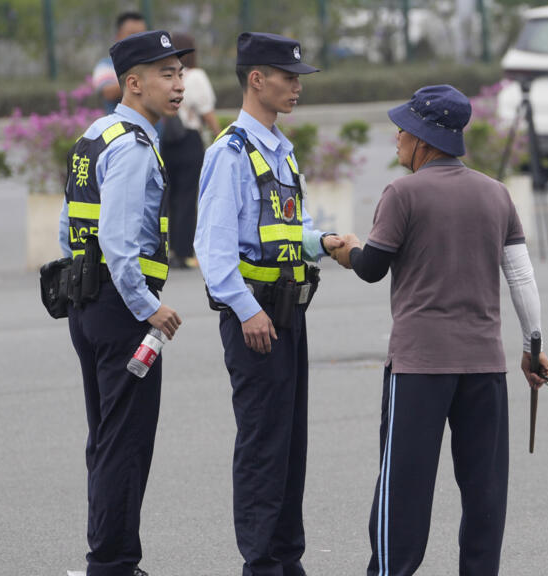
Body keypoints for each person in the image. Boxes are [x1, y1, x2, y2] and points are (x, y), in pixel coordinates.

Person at [331, 84, 548, 576]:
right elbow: (520, 276)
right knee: (484, 492)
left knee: (403, 490)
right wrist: (532, 347)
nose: (396, 139)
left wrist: (344, 249)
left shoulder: (402, 193)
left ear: (424, 139)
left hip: (420, 369)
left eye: (403, 130)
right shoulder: (496, 194)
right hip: (484, 368)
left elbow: (372, 267)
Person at [193, 32, 344, 576]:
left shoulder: (279, 149)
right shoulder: (229, 153)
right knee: (262, 445)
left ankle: (286, 556)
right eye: (288, 76)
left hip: (288, 313)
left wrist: (323, 242)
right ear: (257, 78)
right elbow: (211, 250)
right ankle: (261, 562)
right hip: (254, 318)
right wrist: (246, 309)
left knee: (289, 444)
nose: (296, 86)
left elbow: (285, 227)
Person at [59, 30, 188, 576]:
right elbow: (117, 238)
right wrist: (145, 305)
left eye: (180, 72)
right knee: (125, 443)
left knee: (107, 438)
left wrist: (81, 289)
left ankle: (108, 556)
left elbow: (71, 226)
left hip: (88, 305)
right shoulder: (133, 146)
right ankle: (112, 563)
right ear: (133, 84)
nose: (179, 83)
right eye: (166, 74)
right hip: (121, 311)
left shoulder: (96, 134)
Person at [159, 32, 218, 269]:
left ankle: (169, 249)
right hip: (189, 139)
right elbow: (207, 111)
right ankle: (184, 252)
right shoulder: (196, 76)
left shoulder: (165, 77)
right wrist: (220, 135)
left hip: (168, 140)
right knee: (187, 196)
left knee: (169, 197)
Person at [92, 12, 147, 114]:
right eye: (132, 34)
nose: (138, 39)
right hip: (121, 128)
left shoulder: (153, 62)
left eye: (142, 34)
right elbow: (108, 93)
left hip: (154, 129)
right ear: (118, 36)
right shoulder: (106, 66)